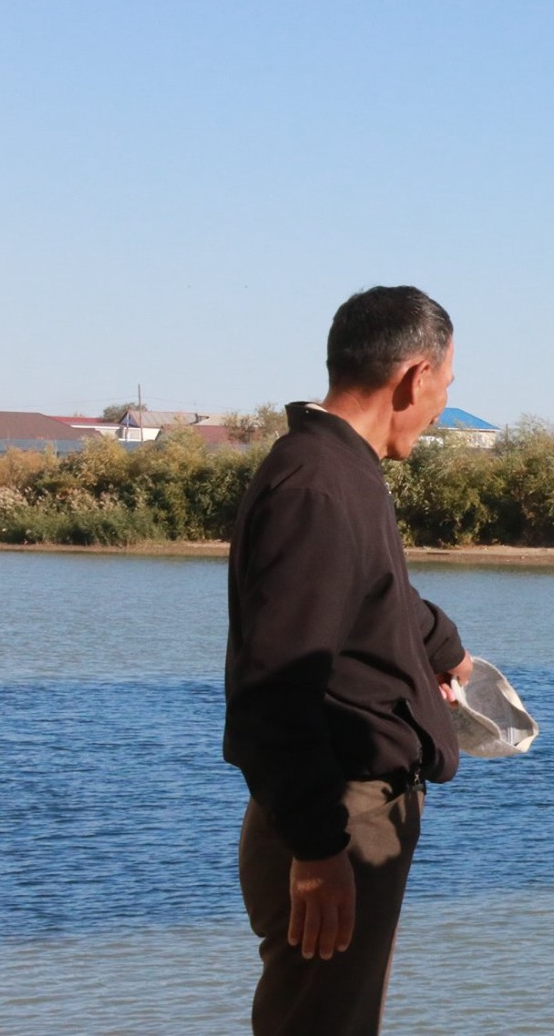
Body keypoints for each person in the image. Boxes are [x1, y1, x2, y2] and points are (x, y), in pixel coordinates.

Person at [224, 286, 475, 1035]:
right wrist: (318, 845)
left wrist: (443, 650)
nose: (441, 408)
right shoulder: (317, 485)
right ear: (412, 377)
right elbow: (274, 688)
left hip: (353, 811)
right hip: (338, 812)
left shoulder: (343, 469)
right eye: (446, 387)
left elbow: (378, 597)